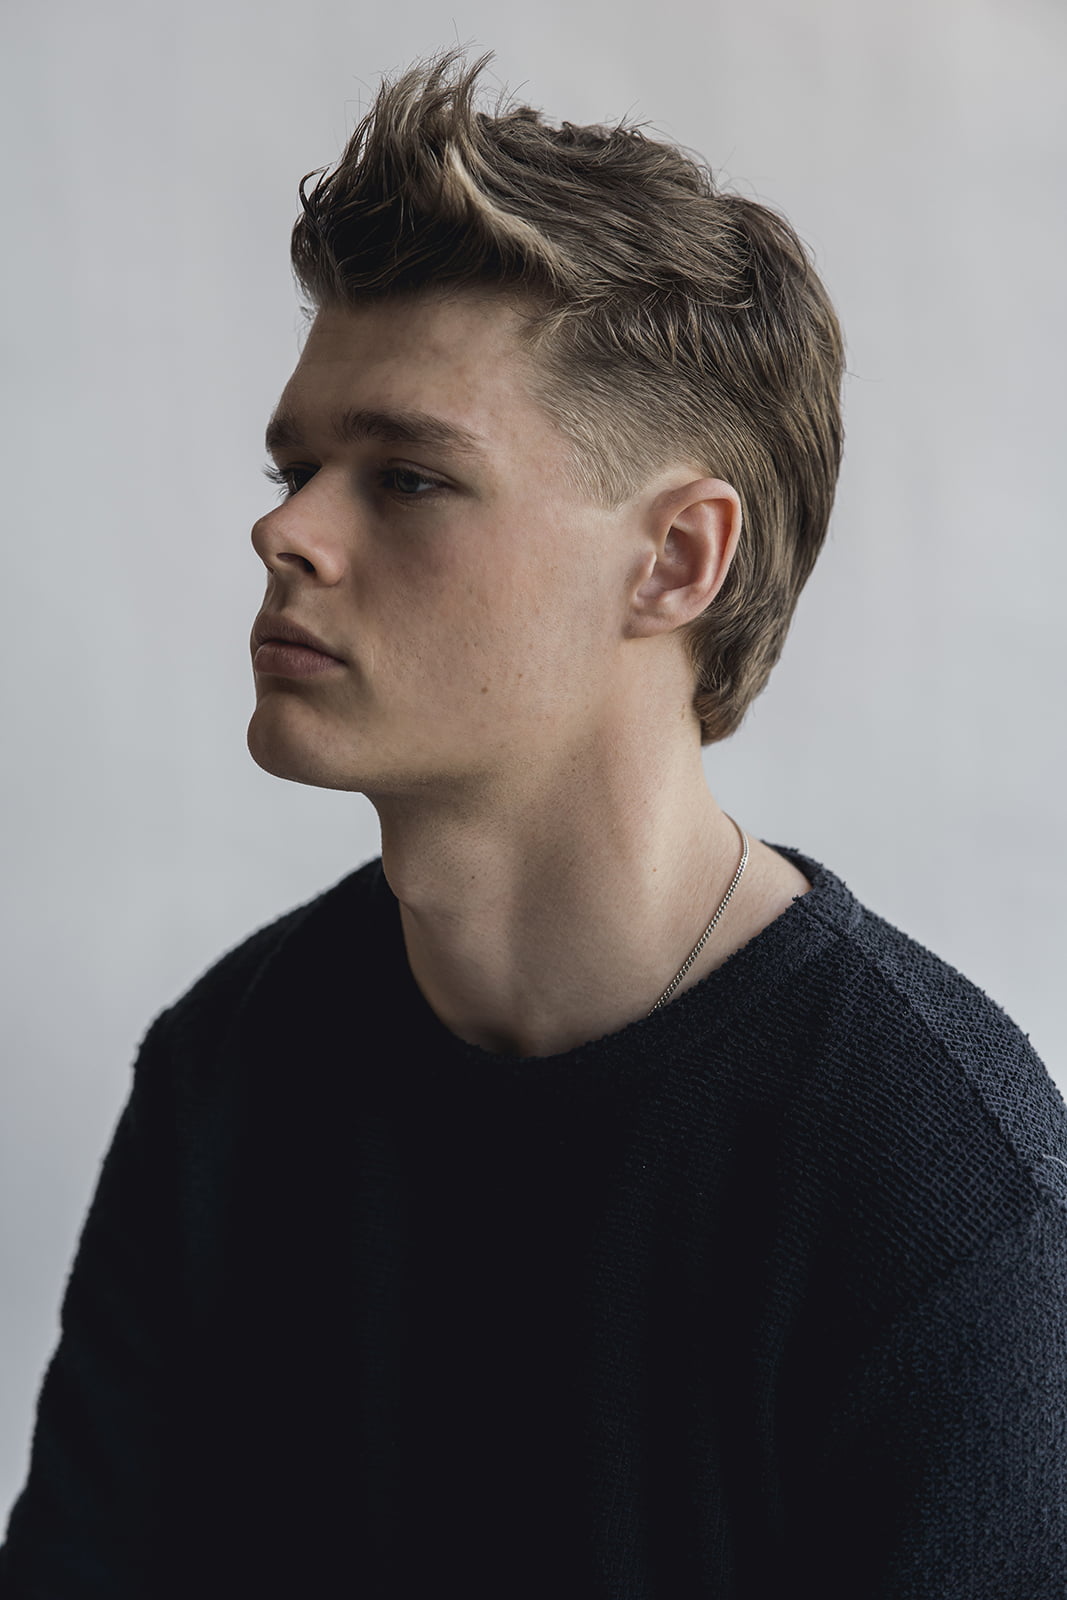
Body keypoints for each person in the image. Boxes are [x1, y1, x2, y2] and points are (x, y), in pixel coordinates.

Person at [2, 45, 1065, 1599]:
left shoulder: (935, 1185)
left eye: (409, 479)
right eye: (298, 466)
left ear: (677, 562)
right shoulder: (231, 1069)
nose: (284, 528)